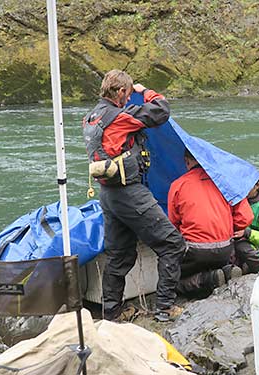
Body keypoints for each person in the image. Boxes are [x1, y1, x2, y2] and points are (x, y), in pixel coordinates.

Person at [82, 70, 186, 322]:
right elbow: (161, 110)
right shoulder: (120, 117)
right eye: (127, 94)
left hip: (108, 195)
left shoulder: (91, 117)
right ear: (119, 92)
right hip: (130, 193)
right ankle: (164, 307)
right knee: (172, 244)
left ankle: (112, 314)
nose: (129, 99)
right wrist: (144, 91)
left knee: (120, 255)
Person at [167, 149, 253, 296]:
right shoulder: (225, 181)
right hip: (225, 249)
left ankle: (209, 279)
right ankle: (226, 272)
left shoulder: (178, 185)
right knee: (214, 262)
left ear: (187, 162)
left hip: (194, 251)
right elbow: (245, 217)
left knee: (173, 281)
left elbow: (172, 224)